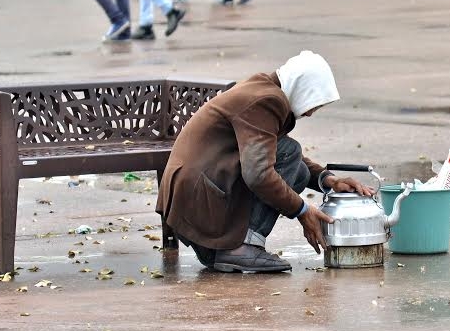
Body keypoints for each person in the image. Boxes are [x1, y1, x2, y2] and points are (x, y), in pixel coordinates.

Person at [156, 51, 375, 273]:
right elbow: (258, 174)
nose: (310, 113)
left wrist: (328, 180)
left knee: (296, 168)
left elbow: (274, 153)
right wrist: (302, 211)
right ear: (302, 88)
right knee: (290, 153)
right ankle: (244, 247)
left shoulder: (263, 88)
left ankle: (228, 251)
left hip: (193, 201)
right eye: (314, 104)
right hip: (198, 199)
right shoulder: (268, 100)